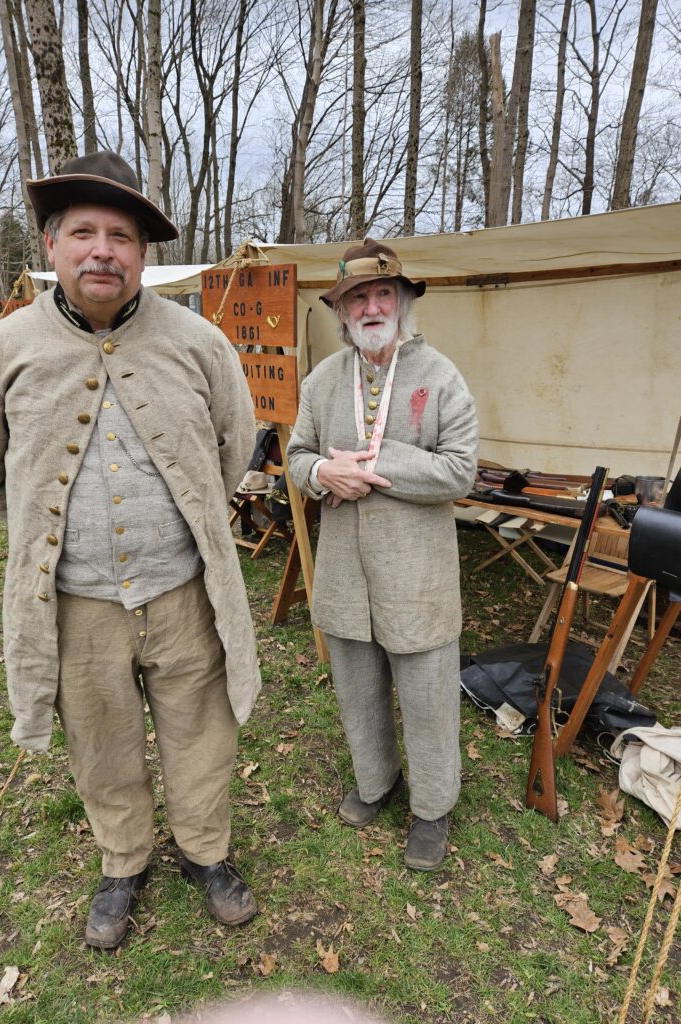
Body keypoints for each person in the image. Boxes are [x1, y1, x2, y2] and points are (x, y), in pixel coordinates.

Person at [0, 151, 261, 948]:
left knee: (202, 732)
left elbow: (235, 448)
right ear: (51, 246)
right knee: (101, 742)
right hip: (78, 606)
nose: (102, 251)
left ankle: (206, 853)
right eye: (82, 232)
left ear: (142, 253)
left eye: (120, 236)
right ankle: (123, 861)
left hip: (184, 593)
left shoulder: (199, 341)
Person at [287, 237, 478, 871]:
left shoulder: (440, 375)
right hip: (345, 571)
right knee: (357, 687)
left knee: (425, 693)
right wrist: (321, 475)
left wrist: (378, 462)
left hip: (417, 574)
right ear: (341, 313)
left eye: (382, 294)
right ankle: (376, 784)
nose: (371, 307)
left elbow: (460, 473)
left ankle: (432, 807)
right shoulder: (321, 380)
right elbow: (293, 458)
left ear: (402, 302)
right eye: (356, 298)